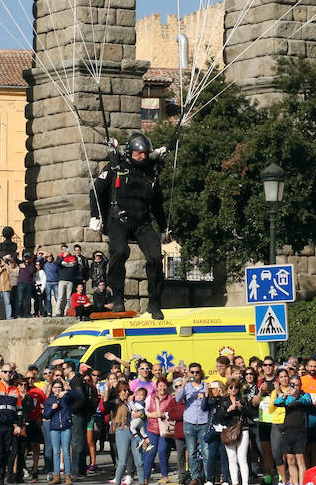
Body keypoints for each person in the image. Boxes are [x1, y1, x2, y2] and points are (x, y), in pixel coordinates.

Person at [89, 133, 169, 319]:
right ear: (130, 152)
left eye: (145, 153)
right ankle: (118, 297)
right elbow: (96, 192)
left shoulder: (150, 172)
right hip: (119, 219)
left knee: (156, 257)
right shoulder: (116, 167)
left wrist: (164, 227)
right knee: (121, 251)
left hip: (142, 221)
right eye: (138, 153)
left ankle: (154, 300)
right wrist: (95, 215)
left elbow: (157, 204)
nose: (142, 156)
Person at [273, 375, 312, 485]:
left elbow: (307, 402)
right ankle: (294, 482)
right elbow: (276, 403)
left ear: (300, 385)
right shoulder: (288, 397)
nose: (295, 387)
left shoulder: (305, 395)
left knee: (300, 458)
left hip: (300, 431)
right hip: (287, 430)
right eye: (293, 385)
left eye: (297, 385)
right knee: (290, 459)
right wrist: (284, 395)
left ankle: (301, 483)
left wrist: (296, 395)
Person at [176, 362, 209, 485]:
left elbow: (211, 401)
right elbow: (178, 399)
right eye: (193, 372)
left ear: (201, 373)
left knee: (206, 452)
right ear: (189, 373)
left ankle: (207, 476)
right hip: (190, 422)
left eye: (197, 372)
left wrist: (205, 396)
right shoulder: (187, 386)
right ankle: (195, 476)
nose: (195, 374)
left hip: (203, 421)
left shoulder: (206, 386)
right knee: (192, 451)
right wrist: (183, 385)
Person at [43, 378, 78, 485]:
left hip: (66, 426)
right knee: (56, 452)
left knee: (66, 451)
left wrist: (66, 391)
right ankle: (56, 476)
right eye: (55, 387)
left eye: (59, 387)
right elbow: (45, 415)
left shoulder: (66, 397)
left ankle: (68, 476)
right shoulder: (49, 400)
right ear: (52, 389)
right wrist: (52, 408)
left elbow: (77, 395)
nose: (57, 389)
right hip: (54, 428)